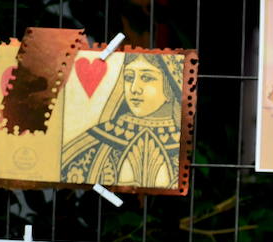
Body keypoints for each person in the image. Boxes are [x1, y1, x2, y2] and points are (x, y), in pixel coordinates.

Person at [61, 53, 186, 189]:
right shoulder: (91, 142)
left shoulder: (184, 143)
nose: (134, 89)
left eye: (146, 77)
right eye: (129, 78)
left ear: (170, 82)